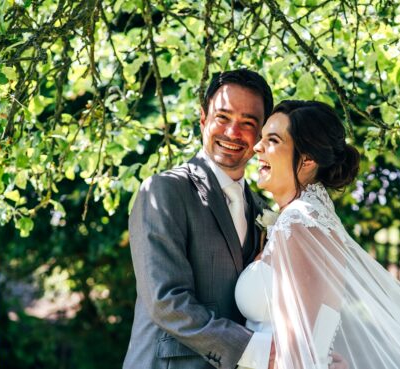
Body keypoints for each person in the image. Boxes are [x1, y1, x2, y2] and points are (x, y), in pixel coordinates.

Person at [238, 100, 400, 368]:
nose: (258, 147)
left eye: (273, 140)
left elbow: (295, 348)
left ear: (307, 159)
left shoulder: (298, 223)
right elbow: (314, 331)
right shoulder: (313, 218)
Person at [124, 70, 348, 369]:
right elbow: (166, 301)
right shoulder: (165, 190)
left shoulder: (263, 210)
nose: (232, 132)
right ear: (203, 119)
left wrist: (315, 355)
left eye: (248, 123)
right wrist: (256, 351)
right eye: (222, 118)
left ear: (260, 134)